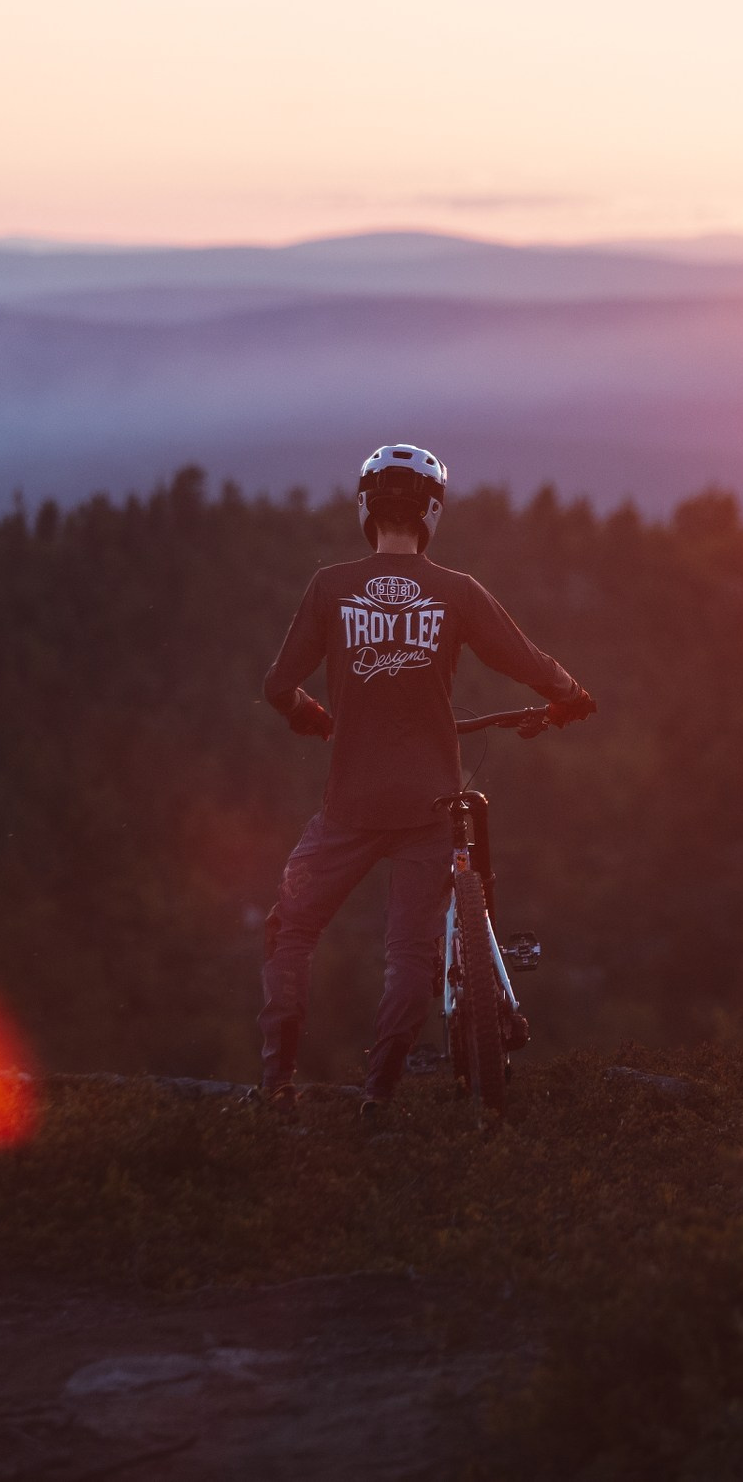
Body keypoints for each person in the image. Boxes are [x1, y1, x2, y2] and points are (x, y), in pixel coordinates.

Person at [255, 444, 595, 1111]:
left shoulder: (329, 587)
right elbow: (524, 658)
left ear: (365, 508)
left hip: (348, 807)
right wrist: (569, 694)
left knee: (290, 930)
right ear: (432, 512)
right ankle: (378, 1095)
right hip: (430, 803)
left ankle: (276, 1088)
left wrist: (313, 715)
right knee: (409, 951)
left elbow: (276, 685)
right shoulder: (457, 592)